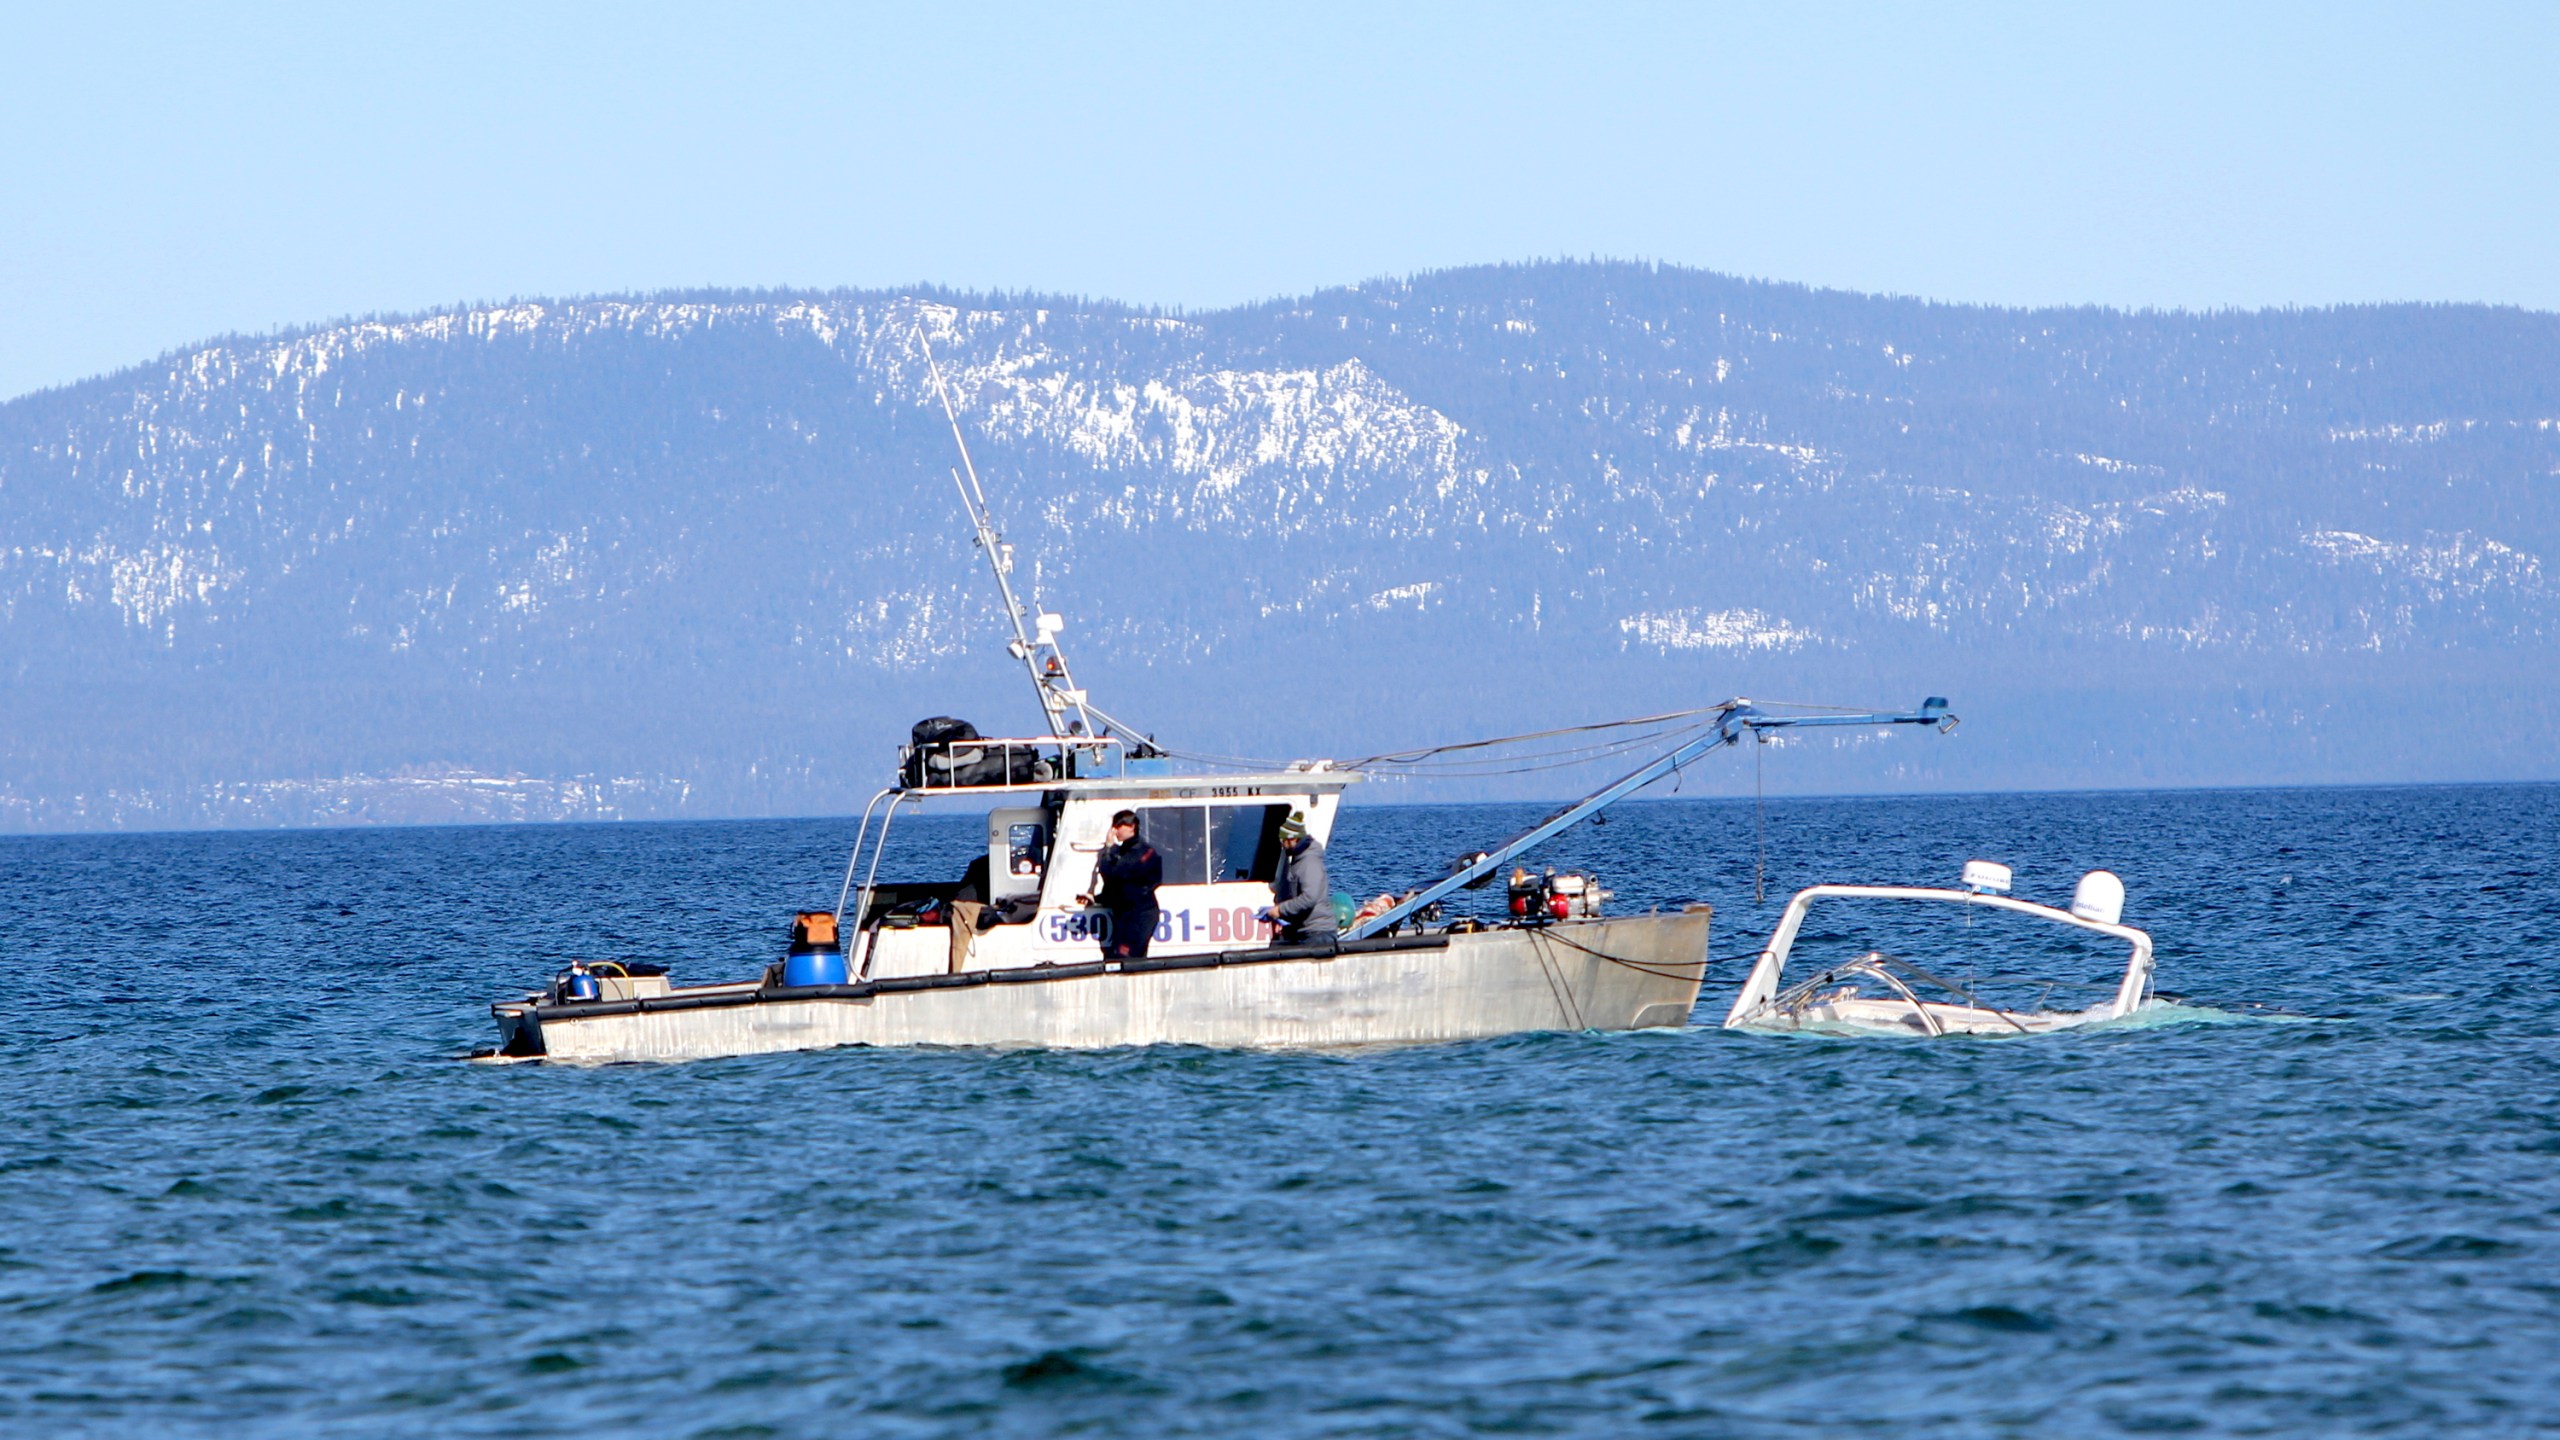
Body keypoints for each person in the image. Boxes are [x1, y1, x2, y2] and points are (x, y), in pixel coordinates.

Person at [1078, 809, 1163, 960]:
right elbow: (1117, 888)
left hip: (1139, 914)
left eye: (1119, 826)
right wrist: (1096, 899)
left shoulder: (1142, 852)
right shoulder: (1124, 851)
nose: (1114, 830)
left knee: (1125, 957)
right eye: (1114, 826)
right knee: (1115, 956)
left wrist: (1109, 849)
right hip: (1126, 913)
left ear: (1132, 827)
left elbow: (1113, 874)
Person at [1261, 810, 1336, 946]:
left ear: (1293, 839)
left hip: (1317, 933)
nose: (1282, 845)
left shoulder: (1309, 863)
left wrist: (1280, 910)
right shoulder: (1298, 861)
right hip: (1303, 930)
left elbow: (1309, 898)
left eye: (1283, 840)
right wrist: (1283, 917)